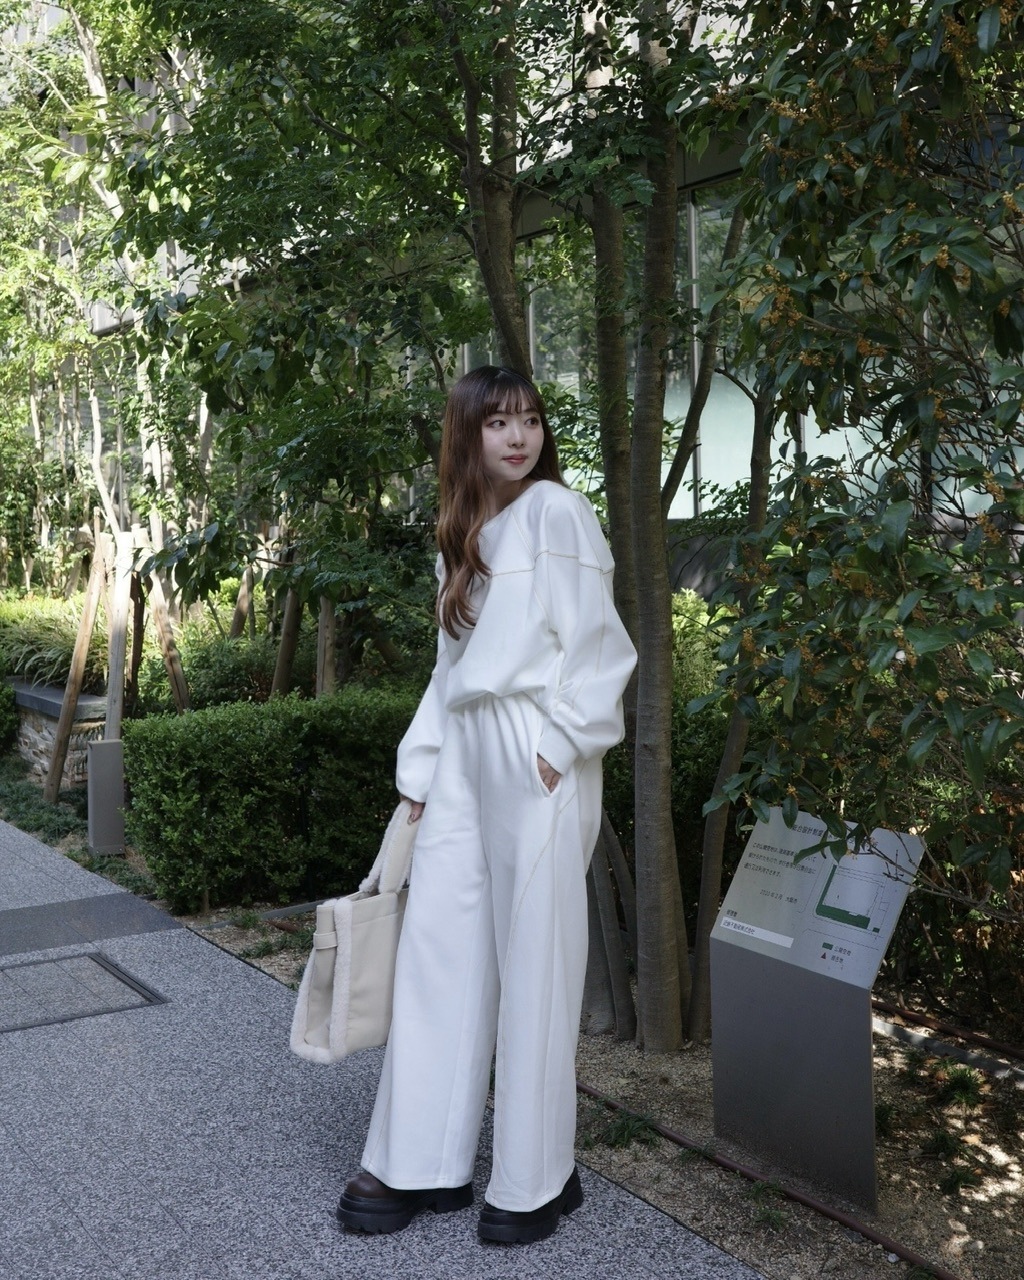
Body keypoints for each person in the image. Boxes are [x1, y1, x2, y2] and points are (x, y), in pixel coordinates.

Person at [336, 365, 637, 1245]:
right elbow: (448, 671)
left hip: (532, 748)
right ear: (466, 433)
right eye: (499, 422)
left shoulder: (557, 512)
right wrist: (421, 774)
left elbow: (599, 647)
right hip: (465, 754)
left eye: (531, 420)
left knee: (536, 963)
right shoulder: (463, 532)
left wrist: (558, 747)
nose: (519, 437)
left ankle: (536, 1179)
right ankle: (417, 1161)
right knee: (438, 949)